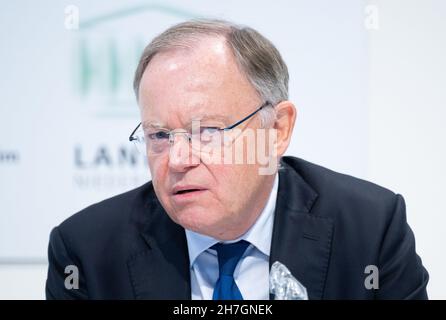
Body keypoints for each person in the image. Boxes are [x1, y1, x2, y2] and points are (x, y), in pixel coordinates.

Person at [46, 19, 429, 299]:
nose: (178, 159)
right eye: (160, 135)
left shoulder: (369, 230)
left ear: (278, 129)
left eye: (207, 131)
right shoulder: (87, 252)